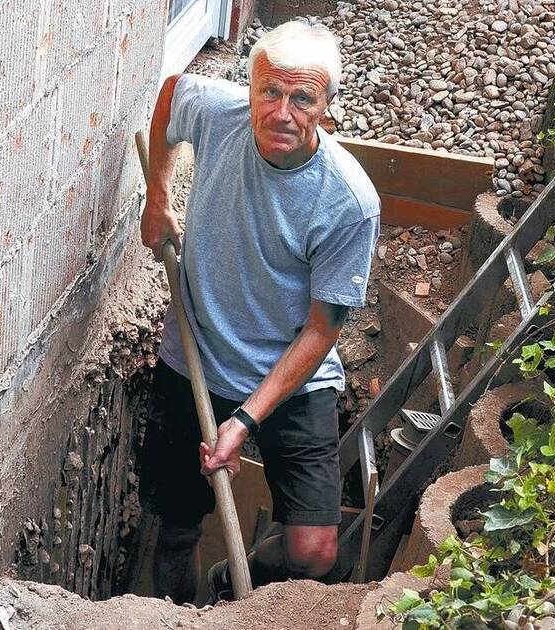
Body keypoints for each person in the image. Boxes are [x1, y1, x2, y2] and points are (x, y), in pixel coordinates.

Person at [138, 20, 380, 603]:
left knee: (315, 551)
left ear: (328, 105)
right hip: (195, 356)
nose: (282, 112)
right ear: (250, 90)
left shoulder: (348, 202)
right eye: (269, 92)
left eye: (303, 98)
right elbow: (171, 92)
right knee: (175, 528)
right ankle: (174, 614)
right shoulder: (220, 114)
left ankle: (233, 590)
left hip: (293, 377)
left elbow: (323, 329)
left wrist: (245, 421)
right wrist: (157, 198)